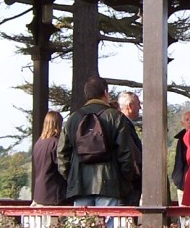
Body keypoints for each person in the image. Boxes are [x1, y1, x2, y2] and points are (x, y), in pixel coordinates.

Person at [61, 76, 136, 207]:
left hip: (79, 184)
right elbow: (126, 154)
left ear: (86, 95)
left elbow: (62, 154)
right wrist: (124, 179)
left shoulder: (72, 119)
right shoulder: (116, 117)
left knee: (84, 226)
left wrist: (72, 176)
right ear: (105, 93)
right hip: (110, 183)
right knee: (110, 226)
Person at [31, 111, 67, 205]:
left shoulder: (38, 144)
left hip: (39, 194)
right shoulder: (56, 143)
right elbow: (63, 168)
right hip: (54, 194)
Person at [118, 91, 143, 206]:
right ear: (130, 106)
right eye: (138, 104)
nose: (140, 107)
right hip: (129, 181)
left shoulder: (123, 124)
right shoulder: (124, 125)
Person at [170, 110, 190, 204]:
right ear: (182, 122)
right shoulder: (181, 140)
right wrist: (179, 182)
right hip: (183, 181)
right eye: (187, 120)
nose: (189, 122)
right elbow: (179, 162)